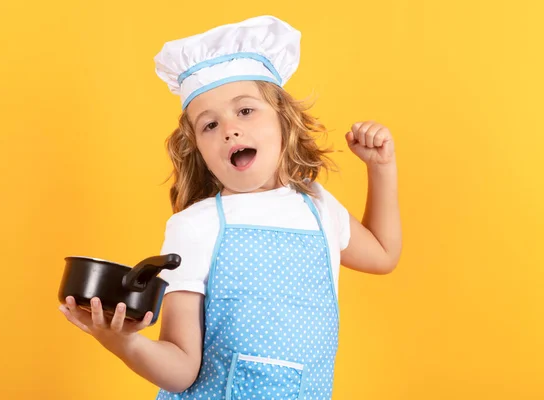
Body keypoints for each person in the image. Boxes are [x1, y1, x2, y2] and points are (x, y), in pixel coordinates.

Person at [59, 15, 402, 399]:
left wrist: (381, 167)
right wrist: (123, 343)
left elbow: (384, 254)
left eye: (245, 111)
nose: (229, 129)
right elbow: (181, 370)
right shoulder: (196, 226)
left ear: (284, 122)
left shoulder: (318, 206)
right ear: (200, 152)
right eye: (209, 125)